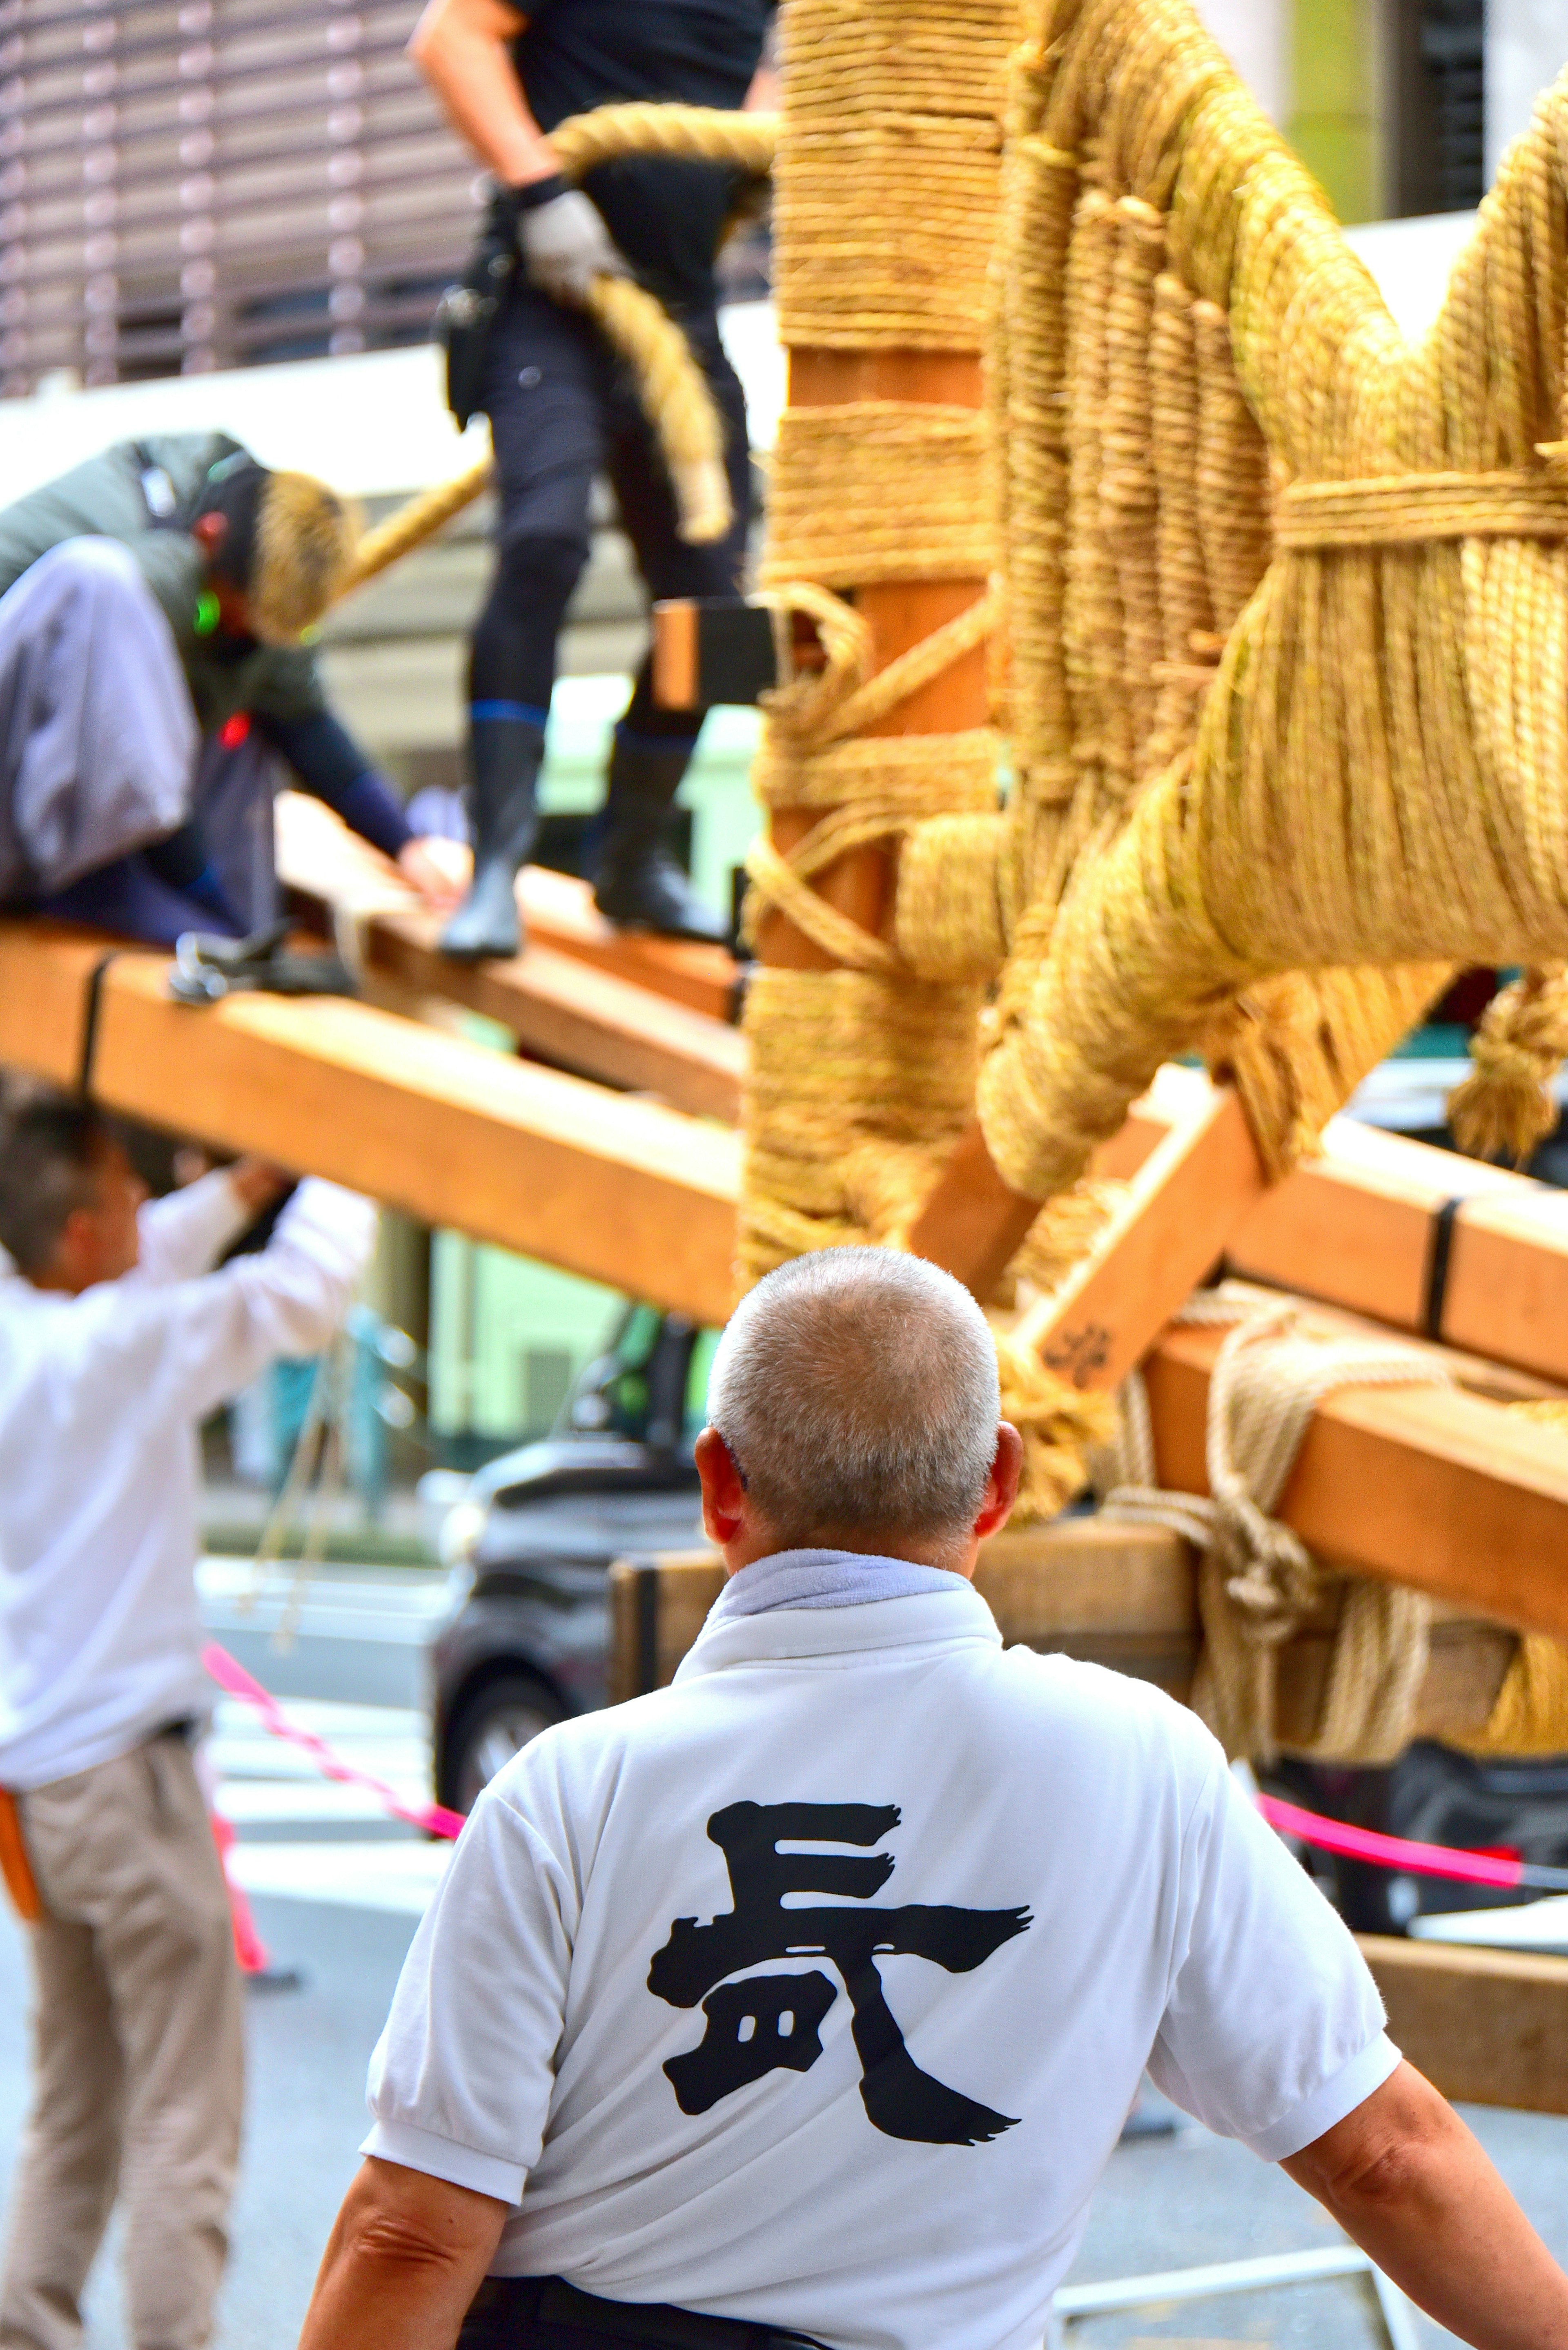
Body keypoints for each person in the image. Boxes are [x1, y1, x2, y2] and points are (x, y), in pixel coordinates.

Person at [300, 1247, 1568, 2350]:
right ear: (999, 1480)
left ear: (718, 1483)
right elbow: (1383, 2155)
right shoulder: (1139, 1764)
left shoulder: (566, 1793)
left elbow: (411, 2236)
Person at [0, 1087, 378, 2350]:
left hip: (36, 1790)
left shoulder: (25, 1322)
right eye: (123, 1193)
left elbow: (156, 1247)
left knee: (78, 2093)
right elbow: (301, 1295)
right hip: (126, 1775)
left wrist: (248, 1185)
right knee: (185, 2112)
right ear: (77, 1241)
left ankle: (29, 2328)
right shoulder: (118, 1346)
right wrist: (350, 1148)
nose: (145, 1208)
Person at [408, 0, 773, 960]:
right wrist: (538, 196)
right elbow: (450, 37)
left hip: (679, 308)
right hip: (549, 289)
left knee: (721, 608)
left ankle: (633, 857)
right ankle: (497, 866)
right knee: (543, 541)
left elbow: (747, 87)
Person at [0, 432, 464, 945]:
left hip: (90, 795)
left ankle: (237, 928)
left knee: (248, 718)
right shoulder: (127, 536)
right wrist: (209, 909)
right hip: (16, 778)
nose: (239, 633)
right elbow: (136, 740)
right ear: (210, 535)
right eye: (237, 616)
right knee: (106, 589)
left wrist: (406, 846)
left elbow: (306, 725)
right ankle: (123, 896)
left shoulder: (250, 578)